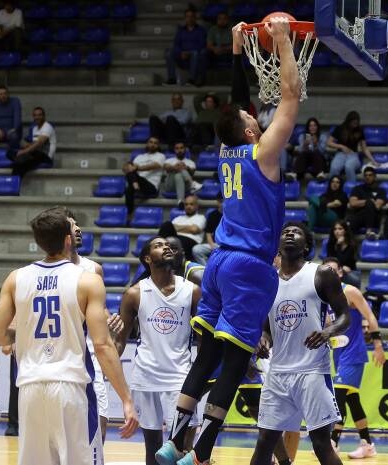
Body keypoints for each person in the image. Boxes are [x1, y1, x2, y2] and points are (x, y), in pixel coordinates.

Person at [156, 17, 300, 465]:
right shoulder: (264, 153)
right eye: (251, 118)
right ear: (252, 131)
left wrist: (238, 50)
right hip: (249, 267)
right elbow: (291, 95)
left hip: (217, 263)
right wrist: (282, 42)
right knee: (236, 364)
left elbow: (236, 105)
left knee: (207, 356)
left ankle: (174, 442)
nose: (252, 114)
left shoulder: (227, 151)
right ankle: (200, 451)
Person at [0, 207, 139, 465]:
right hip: (70, 387)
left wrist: (24, 333)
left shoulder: (15, 279)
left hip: (30, 387)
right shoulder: (87, 280)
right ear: (68, 240)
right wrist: (126, 399)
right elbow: (102, 345)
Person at [249, 223, 350, 465]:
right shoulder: (268, 281)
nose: (289, 234)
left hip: (312, 371)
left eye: (296, 232)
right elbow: (266, 326)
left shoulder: (322, 273)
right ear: (277, 244)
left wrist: (327, 332)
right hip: (278, 372)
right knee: (264, 441)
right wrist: (263, 338)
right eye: (285, 232)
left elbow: (345, 316)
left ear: (306, 246)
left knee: (321, 444)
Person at [116, 237, 201, 465]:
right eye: (158, 245)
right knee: (153, 447)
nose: (167, 247)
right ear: (147, 258)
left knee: (182, 447)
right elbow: (119, 341)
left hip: (180, 376)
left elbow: (203, 341)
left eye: (169, 245)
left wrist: (202, 375)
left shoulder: (192, 291)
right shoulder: (134, 294)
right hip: (145, 377)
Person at [322, 257, 385, 459]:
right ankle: (367, 444)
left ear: (341, 272)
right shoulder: (324, 296)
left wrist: (378, 344)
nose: (331, 273)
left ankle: (333, 442)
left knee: (338, 396)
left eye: (334, 270)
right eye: (327, 270)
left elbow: (370, 316)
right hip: (338, 352)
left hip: (354, 352)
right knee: (352, 400)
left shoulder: (350, 291)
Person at [66, 210, 112, 443]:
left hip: (91, 354)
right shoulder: (44, 272)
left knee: (99, 423)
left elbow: (100, 309)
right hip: (63, 356)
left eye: (78, 225)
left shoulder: (93, 269)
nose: (79, 229)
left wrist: (109, 318)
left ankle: (96, 457)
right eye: (72, 226)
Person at [123, 137, 167, 217]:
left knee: (131, 181)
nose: (153, 144)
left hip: (151, 186)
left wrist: (137, 168)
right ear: (147, 144)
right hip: (138, 182)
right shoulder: (139, 157)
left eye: (155, 143)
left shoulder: (161, 156)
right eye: (151, 142)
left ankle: (136, 187)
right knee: (128, 189)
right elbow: (129, 168)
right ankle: (129, 213)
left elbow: (155, 165)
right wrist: (128, 167)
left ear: (158, 146)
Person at [327, 111, 376, 181]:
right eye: (353, 123)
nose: (355, 125)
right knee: (334, 167)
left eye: (356, 123)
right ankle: (333, 186)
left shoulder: (359, 130)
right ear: (349, 121)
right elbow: (329, 142)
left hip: (353, 155)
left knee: (349, 166)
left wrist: (373, 161)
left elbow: (364, 148)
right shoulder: (340, 128)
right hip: (340, 154)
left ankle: (352, 187)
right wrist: (341, 146)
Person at [8, 106, 56, 178]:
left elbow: (39, 143)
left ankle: (13, 179)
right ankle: (14, 179)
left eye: (39, 115)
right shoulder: (34, 128)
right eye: (35, 115)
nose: (37, 117)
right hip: (35, 154)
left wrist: (23, 151)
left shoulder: (47, 127)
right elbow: (34, 144)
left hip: (46, 157)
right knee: (10, 153)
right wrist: (26, 145)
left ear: (44, 116)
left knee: (20, 162)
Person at [165, 8, 208, 86]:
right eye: (188, 16)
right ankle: (172, 79)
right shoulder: (181, 30)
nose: (190, 18)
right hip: (181, 55)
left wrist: (189, 52)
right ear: (185, 18)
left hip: (194, 56)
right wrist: (181, 52)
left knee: (195, 53)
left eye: (192, 16)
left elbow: (202, 45)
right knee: (169, 52)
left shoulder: (201, 30)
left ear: (195, 18)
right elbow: (176, 44)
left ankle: (191, 79)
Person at [159, 194, 206, 261]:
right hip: (175, 239)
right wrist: (188, 228)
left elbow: (194, 229)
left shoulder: (201, 217)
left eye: (191, 204)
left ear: (196, 206)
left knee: (174, 242)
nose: (188, 206)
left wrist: (177, 228)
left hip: (191, 242)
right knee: (166, 225)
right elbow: (170, 228)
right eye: (186, 204)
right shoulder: (178, 218)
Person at [346, 167, 388, 238]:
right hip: (360, 216)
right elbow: (353, 203)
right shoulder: (357, 189)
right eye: (366, 175)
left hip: (374, 217)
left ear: (374, 177)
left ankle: (369, 230)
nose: (367, 177)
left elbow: (377, 206)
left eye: (370, 175)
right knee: (350, 222)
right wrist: (369, 201)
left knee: (370, 204)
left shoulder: (380, 190)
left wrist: (364, 203)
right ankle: (348, 242)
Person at [162, 142, 202, 207]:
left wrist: (186, 167)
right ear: (174, 150)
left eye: (181, 148)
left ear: (185, 149)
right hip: (170, 186)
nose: (179, 150)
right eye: (177, 148)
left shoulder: (190, 162)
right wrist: (175, 167)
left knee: (178, 175)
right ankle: (192, 184)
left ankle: (180, 201)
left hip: (185, 186)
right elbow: (166, 167)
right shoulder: (169, 160)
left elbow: (192, 172)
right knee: (179, 169)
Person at [326, 221, 361, 288]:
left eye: (340, 229)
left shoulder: (352, 244)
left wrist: (342, 268)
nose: (337, 231)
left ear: (345, 231)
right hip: (334, 271)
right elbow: (330, 261)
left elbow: (347, 260)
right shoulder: (330, 244)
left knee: (355, 280)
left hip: (350, 271)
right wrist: (338, 245)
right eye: (335, 229)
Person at [0, 85, 22, 149]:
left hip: (11, 131)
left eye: (5, 93)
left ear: (8, 94)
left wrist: (14, 129)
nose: (3, 96)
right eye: (1, 94)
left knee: (14, 136)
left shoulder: (15, 102)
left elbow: (17, 117)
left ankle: (14, 154)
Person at [192, 196, 222, 265]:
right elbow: (208, 233)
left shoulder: (232, 215)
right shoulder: (212, 215)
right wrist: (212, 246)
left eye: (225, 201)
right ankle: (206, 268)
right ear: (218, 202)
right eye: (221, 201)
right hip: (215, 244)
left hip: (228, 245)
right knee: (196, 249)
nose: (223, 204)